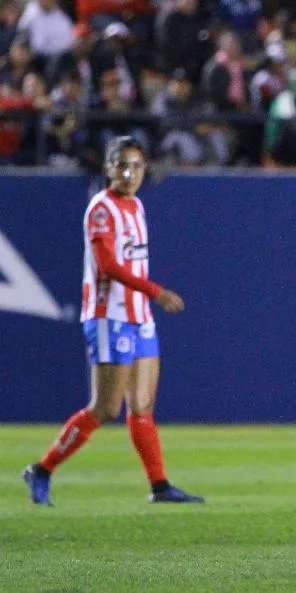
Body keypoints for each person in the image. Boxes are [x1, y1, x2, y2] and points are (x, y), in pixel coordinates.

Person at [22, 136, 203, 506]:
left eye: (136, 165)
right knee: (105, 408)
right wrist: (156, 291)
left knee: (142, 405)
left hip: (140, 316)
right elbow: (107, 266)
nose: (128, 172)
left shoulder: (136, 206)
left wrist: (148, 300)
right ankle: (41, 469)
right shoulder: (102, 209)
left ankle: (159, 486)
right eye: (121, 164)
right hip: (109, 317)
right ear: (107, 168)